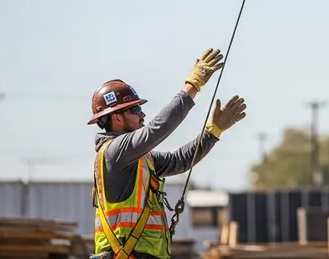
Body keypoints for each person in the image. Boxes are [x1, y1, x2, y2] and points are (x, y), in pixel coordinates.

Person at [88, 48, 246, 259]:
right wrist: (193, 85)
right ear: (116, 118)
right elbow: (157, 129)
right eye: (134, 110)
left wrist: (212, 132)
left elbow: (179, 160)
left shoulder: (139, 159)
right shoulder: (115, 153)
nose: (142, 114)